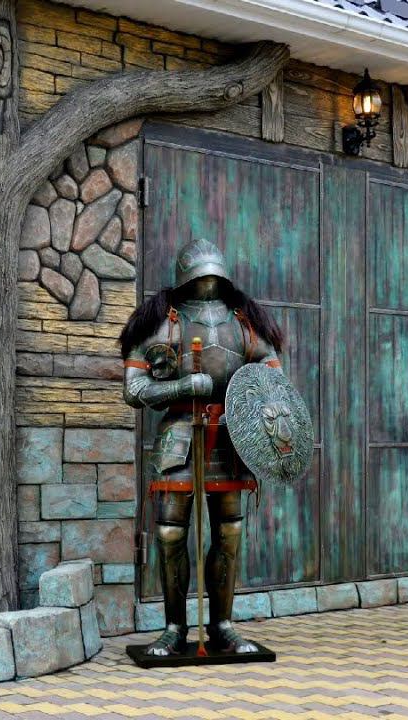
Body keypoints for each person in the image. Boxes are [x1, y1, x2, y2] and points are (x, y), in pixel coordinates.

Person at [118, 238, 285, 657]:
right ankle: (174, 628)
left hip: (230, 438)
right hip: (178, 437)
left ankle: (222, 626)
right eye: (200, 274)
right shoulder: (164, 322)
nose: (206, 280)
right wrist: (181, 387)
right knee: (171, 532)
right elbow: (134, 388)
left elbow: (273, 380)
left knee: (229, 531)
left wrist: (252, 407)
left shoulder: (244, 324)